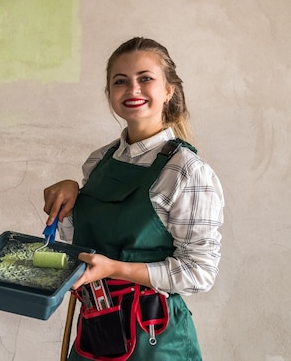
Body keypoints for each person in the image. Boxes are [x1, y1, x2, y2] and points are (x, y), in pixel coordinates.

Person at [43, 37, 224, 361]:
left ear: (168, 90)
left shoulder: (186, 171)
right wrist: (71, 195)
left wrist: (115, 268)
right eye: (120, 81)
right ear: (109, 93)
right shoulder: (99, 160)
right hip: (96, 332)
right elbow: (83, 246)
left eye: (145, 78)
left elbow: (200, 273)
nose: (133, 89)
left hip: (155, 339)